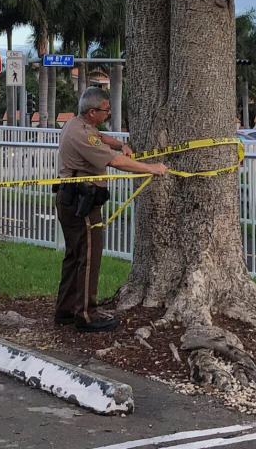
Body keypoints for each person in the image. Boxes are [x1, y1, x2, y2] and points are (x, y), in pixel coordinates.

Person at [54, 87, 167, 333]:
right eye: (105, 110)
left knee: (74, 256)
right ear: (92, 112)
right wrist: (151, 168)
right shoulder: (83, 136)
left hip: (70, 198)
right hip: (80, 203)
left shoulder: (76, 124)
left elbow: (101, 138)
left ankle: (65, 311)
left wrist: (119, 143)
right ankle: (86, 315)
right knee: (89, 257)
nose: (108, 114)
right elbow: (115, 162)